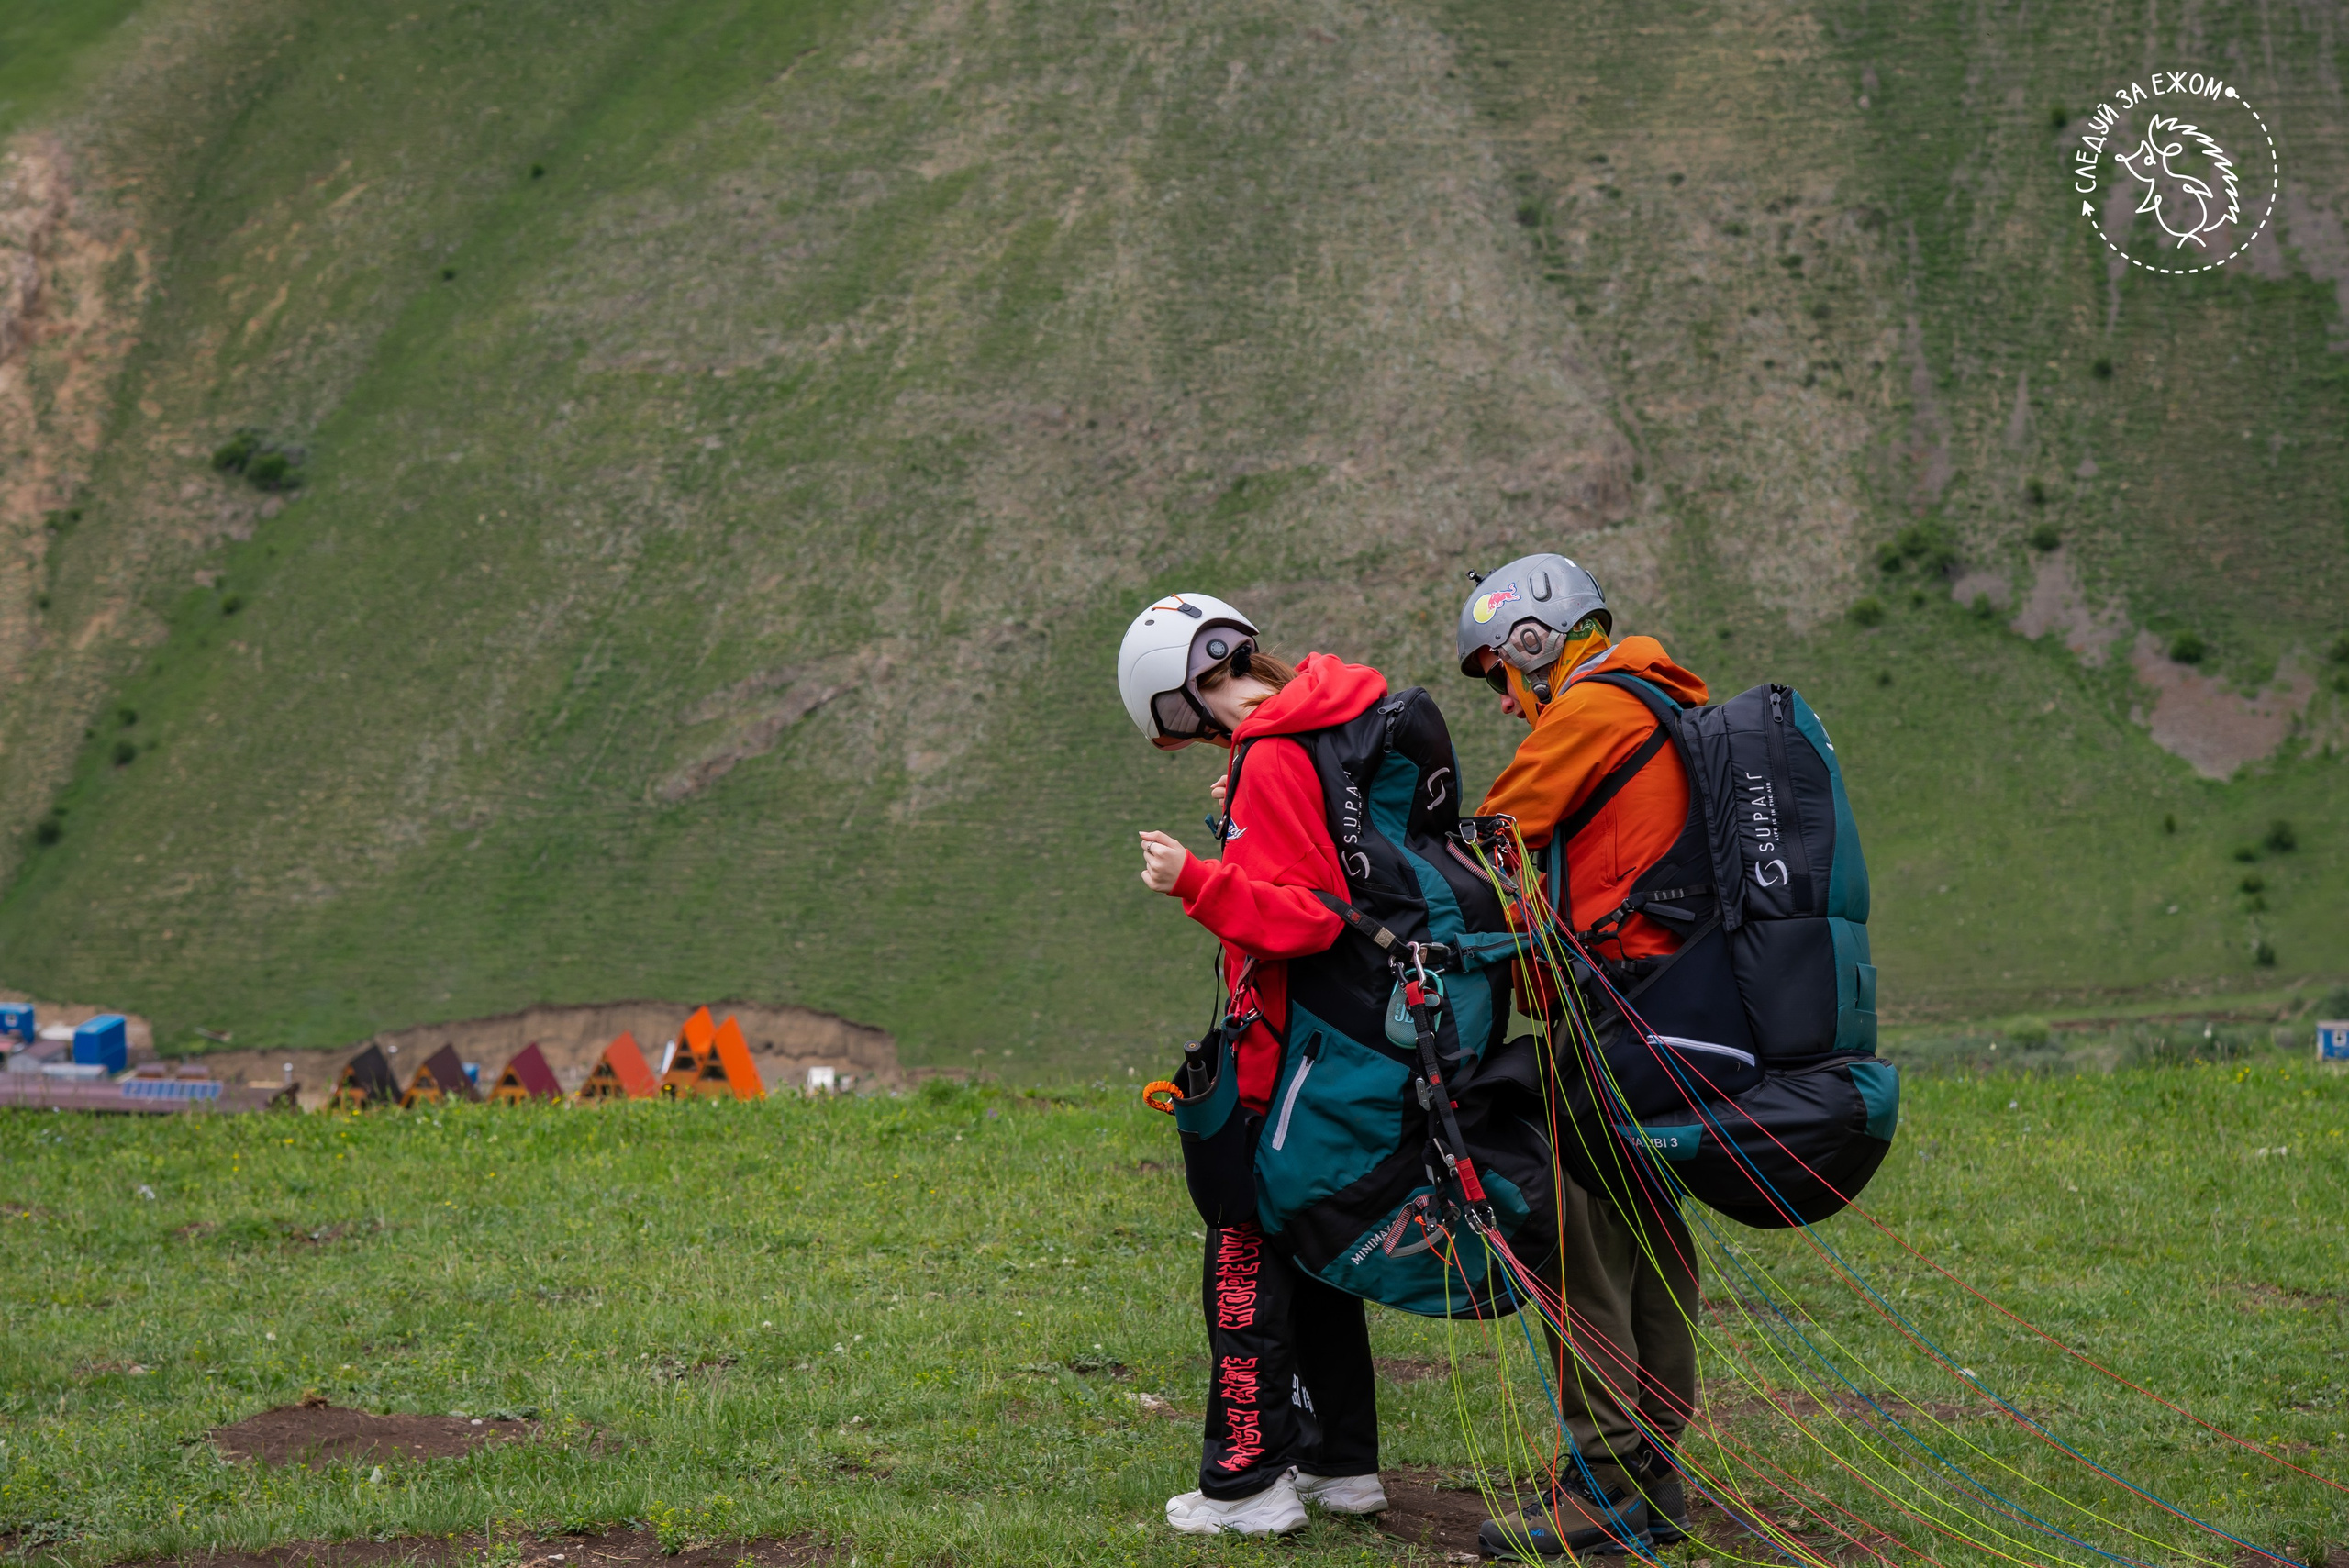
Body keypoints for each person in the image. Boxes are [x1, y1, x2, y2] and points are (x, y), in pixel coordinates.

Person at [1118, 592, 1392, 1538]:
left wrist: (1192, 877)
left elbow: (1307, 914)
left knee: (1241, 1250)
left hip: (1287, 1051)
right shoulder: (1333, 717)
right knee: (1310, 1251)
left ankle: (1246, 1484)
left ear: (1181, 702)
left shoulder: (1272, 751)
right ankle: (1339, 1461)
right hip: (1344, 1041)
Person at [1455, 555, 1709, 1556]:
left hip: (1612, 1022)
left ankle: (1599, 1489)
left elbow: (1490, 832)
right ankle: (1653, 1477)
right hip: (1673, 1016)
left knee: (1581, 1244)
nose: (1507, 699)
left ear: (1533, 639)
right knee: (1650, 1240)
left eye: (1500, 674)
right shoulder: (1665, 699)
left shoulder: (1592, 709)